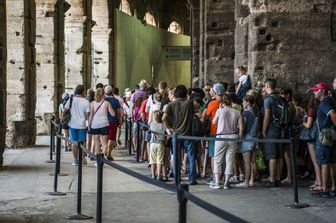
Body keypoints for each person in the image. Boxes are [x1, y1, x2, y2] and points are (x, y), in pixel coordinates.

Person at [162, 85, 198, 185]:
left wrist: (169, 128)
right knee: (191, 156)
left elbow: (163, 118)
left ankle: (177, 178)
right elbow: (196, 109)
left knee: (176, 157)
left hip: (176, 134)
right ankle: (192, 178)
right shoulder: (189, 104)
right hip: (188, 134)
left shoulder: (171, 104)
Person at [210, 94, 243, 189]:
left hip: (221, 137)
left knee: (218, 160)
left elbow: (214, 122)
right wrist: (239, 138)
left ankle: (217, 182)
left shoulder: (220, 111)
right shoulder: (237, 112)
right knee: (230, 160)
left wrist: (220, 109)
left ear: (222, 102)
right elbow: (241, 128)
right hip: (233, 137)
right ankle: (226, 183)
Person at [309, 82, 336, 197]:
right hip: (331, 135)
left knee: (324, 162)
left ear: (322, 91)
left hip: (325, 136)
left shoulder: (324, 102)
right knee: (332, 162)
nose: (314, 92)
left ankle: (324, 189)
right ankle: (334, 188)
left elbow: (333, 115)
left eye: (316, 90)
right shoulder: (331, 100)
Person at [262, 78, 283, 187]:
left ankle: (272, 179)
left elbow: (267, 117)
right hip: (281, 129)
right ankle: (278, 178)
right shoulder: (280, 98)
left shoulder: (268, 100)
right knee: (279, 155)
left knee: (272, 155)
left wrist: (263, 130)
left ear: (267, 86)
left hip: (271, 129)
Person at [64, 85, 90, 166]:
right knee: (82, 143)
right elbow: (88, 115)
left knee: (74, 143)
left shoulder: (71, 100)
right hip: (82, 125)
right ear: (83, 92)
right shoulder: (86, 102)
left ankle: (75, 160)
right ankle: (82, 158)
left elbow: (65, 110)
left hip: (73, 125)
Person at [236, 95, 259, 188]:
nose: (242, 103)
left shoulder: (245, 113)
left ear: (248, 102)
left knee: (247, 162)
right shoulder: (256, 112)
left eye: (243, 102)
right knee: (253, 161)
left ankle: (246, 181)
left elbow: (242, 127)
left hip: (247, 138)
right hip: (255, 137)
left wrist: (240, 139)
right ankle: (251, 180)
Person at [88, 88, 116, 159]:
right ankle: (103, 157)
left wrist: (89, 125)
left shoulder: (92, 103)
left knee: (96, 142)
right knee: (104, 143)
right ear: (103, 94)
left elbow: (90, 116)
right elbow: (113, 114)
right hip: (104, 124)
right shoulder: (106, 103)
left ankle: (98, 159)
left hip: (95, 124)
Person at [104, 86, 121, 160]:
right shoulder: (116, 101)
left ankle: (105, 151)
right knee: (112, 138)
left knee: (105, 137)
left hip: (104, 121)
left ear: (105, 92)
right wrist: (119, 120)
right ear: (112, 92)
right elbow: (118, 112)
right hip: (113, 121)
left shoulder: (103, 100)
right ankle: (109, 154)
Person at [149, 110, 166, 180]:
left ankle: (153, 175)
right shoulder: (163, 125)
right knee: (160, 160)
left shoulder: (152, 124)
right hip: (161, 144)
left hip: (153, 144)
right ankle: (159, 175)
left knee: (152, 160)